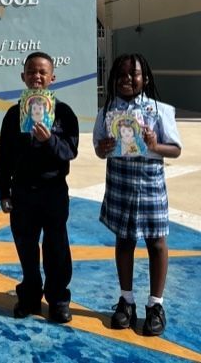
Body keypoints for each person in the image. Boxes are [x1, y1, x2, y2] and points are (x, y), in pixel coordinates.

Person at [93, 53, 181, 336]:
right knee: (124, 240)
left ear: (146, 78)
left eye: (134, 74)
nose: (127, 79)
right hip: (120, 184)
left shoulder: (160, 110)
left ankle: (155, 304)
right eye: (121, 74)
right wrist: (103, 147)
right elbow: (98, 148)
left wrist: (155, 144)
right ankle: (126, 300)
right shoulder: (107, 111)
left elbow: (176, 150)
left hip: (150, 185)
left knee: (157, 243)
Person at [0, 51, 79, 323]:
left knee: (56, 246)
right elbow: (4, 156)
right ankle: (30, 295)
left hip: (53, 191)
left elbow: (70, 151)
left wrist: (49, 141)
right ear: (23, 77)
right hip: (22, 193)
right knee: (26, 247)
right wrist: (3, 191)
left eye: (43, 72)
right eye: (32, 72)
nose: (37, 77)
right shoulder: (12, 115)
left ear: (52, 78)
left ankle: (57, 299)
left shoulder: (63, 114)